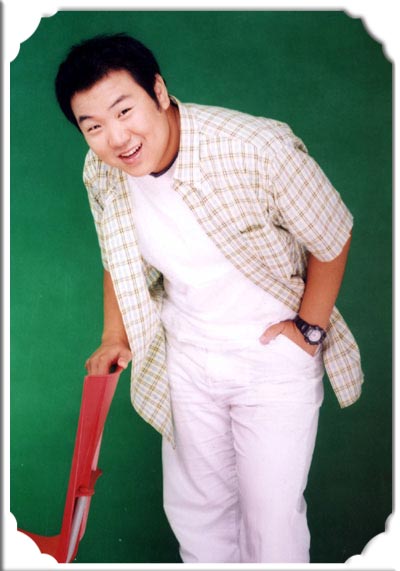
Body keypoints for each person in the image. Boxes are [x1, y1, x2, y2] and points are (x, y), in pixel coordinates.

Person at [55, 33, 363, 563]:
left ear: (158, 91)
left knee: (271, 521)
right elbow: (117, 254)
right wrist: (113, 334)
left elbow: (333, 233)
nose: (117, 138)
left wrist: (308, 331)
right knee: (198, 515)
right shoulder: (101, 171)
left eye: (124, 111)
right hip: (188, 353)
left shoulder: (256, 147)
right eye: (94, 126)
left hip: (272, 354)